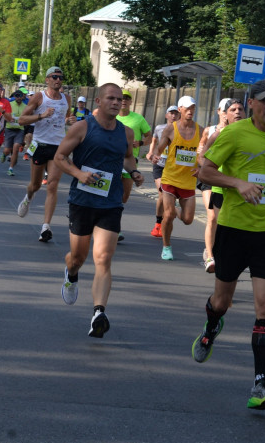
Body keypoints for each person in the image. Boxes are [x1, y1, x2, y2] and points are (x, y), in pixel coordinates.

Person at [191, 79, 265, 411]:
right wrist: (237, 182)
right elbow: (204, 171)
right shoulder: (234, 134)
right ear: (250, 103)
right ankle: (212, 325)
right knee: (222, 302)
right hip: (234, 230)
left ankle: (259, 384)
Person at [54, 83, 144, 338]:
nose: (116, 103)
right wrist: (79, 174)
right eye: (111, 98)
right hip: (82, 200)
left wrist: (134, 171)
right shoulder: (82, 127)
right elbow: (60, 157)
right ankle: (71, 274)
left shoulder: (125, 132)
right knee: (78, 258)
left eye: (120, 100)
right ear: (98, 100)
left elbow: (127, 157)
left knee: (103, 258)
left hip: (111, 201)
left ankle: (98, 313)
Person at [16, 67, 74, 243]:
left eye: (60, 77)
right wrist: (41, 115)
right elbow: (21, 120)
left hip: (58, 147)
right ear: (47, 79)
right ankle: (29, 197)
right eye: (54, 77)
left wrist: (70, 121)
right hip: (40, 145)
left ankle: (45, 227)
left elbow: (67, 119)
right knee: (35, 185)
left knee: (52, 185)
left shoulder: (67, 98)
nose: (58, 80)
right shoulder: (39, 97)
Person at [148, 95, 201, 260]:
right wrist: (156, 155)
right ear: (180, 110)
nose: (190, 111)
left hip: (188, 181)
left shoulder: (201, 130)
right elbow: (160, 147)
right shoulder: (171, 129)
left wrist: (202, 166)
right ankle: (166, 246)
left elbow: (205, 152)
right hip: (170, 178)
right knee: (169, 215)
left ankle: (174, 209)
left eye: (192, 108)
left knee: (188, 219)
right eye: (187, 108)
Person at [198, 98, 245, 273]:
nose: (238, 112)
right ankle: (211, 256)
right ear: (225, 114)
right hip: (220, 186)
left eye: (241, 109)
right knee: (215, 220)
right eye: (233, 109)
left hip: (241, 188)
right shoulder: (218, 133)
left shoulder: (250, 134)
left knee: (236, 226)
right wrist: (207, 171)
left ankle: (227, 257)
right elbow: (202, 156)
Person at [147, 105, 180, 238]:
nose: (173, 115)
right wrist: (151, 152)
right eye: (171, 113)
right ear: (166, 115)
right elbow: (154, 140)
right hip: (160, 165)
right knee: (162, 191)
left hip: (174, 168)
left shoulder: (182, 130)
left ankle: (164, 221)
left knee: (167, 196)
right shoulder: (159, 128)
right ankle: (158, 223)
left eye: (176, 113)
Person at [117, 91, 152, 204]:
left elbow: (150, 137)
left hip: (130, 160)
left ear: (131, 101)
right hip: (114, 158)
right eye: (121, 98)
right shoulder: (112, 116)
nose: (124, 100)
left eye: (127, 98)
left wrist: (141, 143)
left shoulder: (138, 118)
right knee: (110, 192)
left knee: (124, 197)